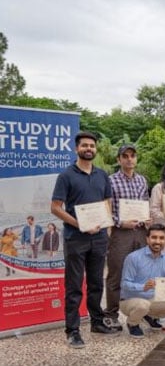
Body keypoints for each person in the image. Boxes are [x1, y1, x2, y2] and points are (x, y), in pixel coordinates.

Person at [51, 131, 119, 348]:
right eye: (84, 146)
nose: (89, 149)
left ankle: (97, 322)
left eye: (92, 146)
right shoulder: (66, 176)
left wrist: (106, 227)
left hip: (99, 237)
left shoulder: (102, 175)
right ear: (76, 149)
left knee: (96, 282)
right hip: (76, 238)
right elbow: (55, 208)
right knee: (74, 286)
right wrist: (79, 224)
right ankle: (72, 330)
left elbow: (107, 201)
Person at [105, 144, 151, 331]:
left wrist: (147, 218)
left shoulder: (142, 180)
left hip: (140, 232)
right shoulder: (110, 181)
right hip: (120, 232)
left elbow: (145, 203)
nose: (129, 159)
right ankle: (111, 314)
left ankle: (143, 312)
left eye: (132, 156)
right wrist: (119, 222)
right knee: (116, 272)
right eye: (125, 156)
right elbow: (105, 208)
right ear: (119, 159)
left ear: (136, 159)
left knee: (143, 272)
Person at [119, 224, 165, 338]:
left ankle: (150, 316)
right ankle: (132, 323)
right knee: (143, 305)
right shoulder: (133, 257)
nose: (157, 241)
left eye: (161, 238)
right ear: (147, 239)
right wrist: (142, 287)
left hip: (152, 299)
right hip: (129, 300)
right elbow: (124, 284)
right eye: (154, 237)